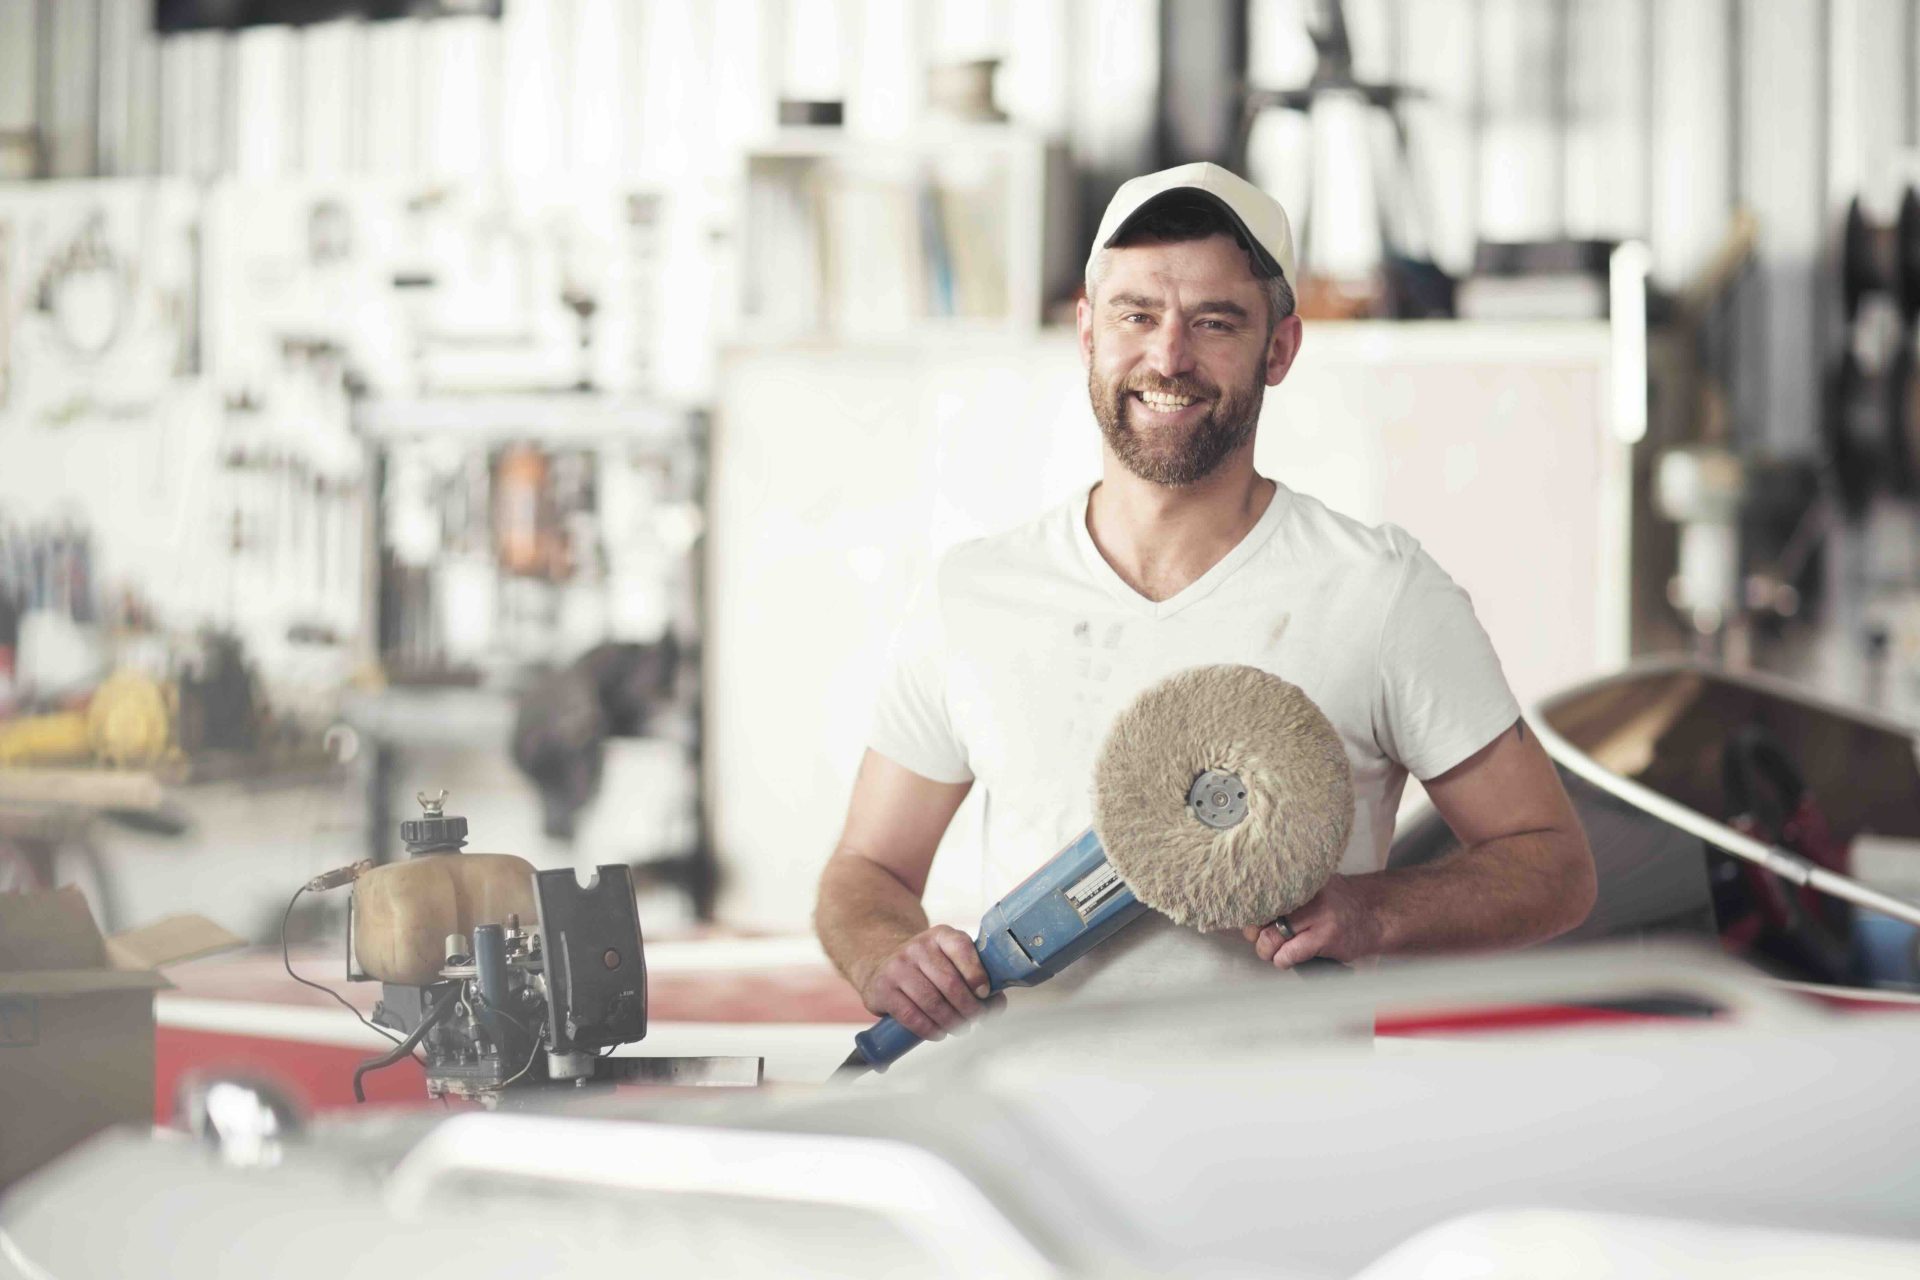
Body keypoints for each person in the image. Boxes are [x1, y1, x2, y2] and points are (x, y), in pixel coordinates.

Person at [814, 162, 1596, 1047]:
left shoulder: (1380, 592)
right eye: (1135, 315)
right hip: (1031, 1141)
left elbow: (1552, 865)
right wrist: (888, 953)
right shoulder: (974, 595)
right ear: (1086, 331)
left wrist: (1371, 912)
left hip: (1279, 1155)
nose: (1169, 356)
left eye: (1214, 322)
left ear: (1280, 348)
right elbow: (865, 869)